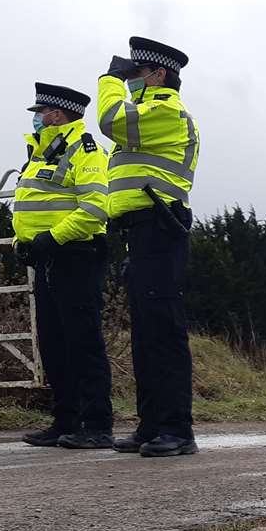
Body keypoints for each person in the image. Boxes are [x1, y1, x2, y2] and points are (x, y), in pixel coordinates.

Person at [98, 37, 201, 457]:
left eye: (136, 74)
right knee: (145, 335)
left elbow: (109, 120)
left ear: (159, 75)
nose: (130, 81)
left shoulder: (166, 111)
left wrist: (108, 79)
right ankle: (152, 426)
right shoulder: (147, 113)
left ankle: (178, 430)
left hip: (160, 227)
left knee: (164, 333)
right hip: (140, 232)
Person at [13, 82, 113, 449]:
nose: (36, 119)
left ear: (56, 114)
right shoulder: (40, 154)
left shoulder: (85, 150)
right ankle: (65, 420)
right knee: (53, 343)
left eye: (40, 113)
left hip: (76, 256)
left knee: (83, 342)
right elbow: (29, 207)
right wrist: (21, 244)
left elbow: (94, 209)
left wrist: (51, 239)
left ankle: (98, 425)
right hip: (46, 259)